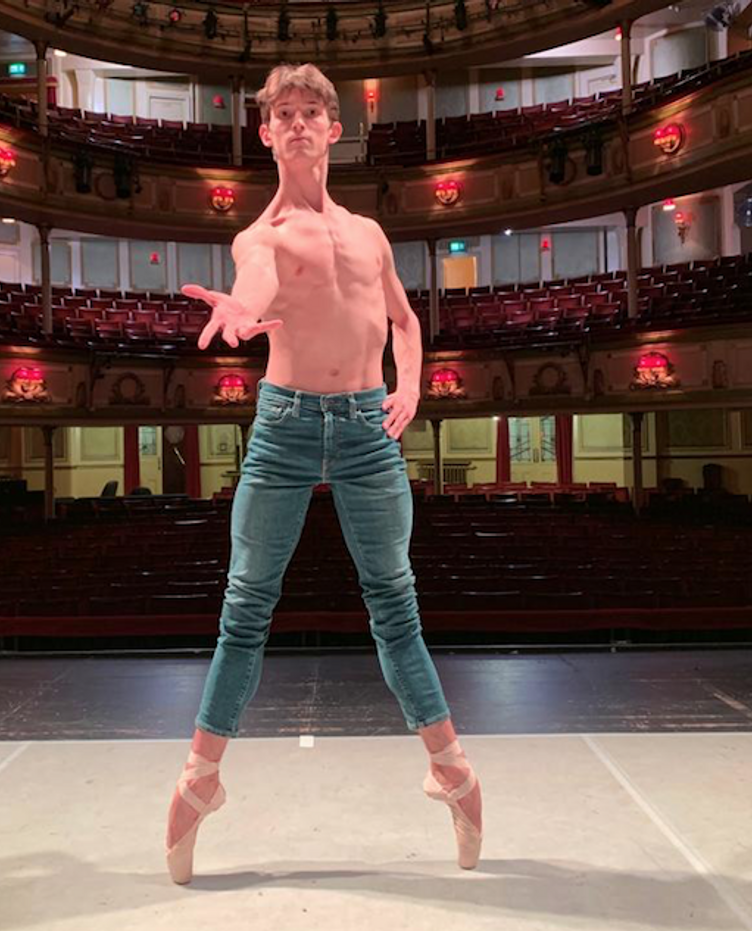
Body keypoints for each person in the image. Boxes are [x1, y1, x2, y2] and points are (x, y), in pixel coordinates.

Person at [165, 63, 483, 884]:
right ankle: (201, 781)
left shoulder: (370, 232)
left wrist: (410, 382)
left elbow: (406, 322)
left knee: (395, 603)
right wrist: (239, 308)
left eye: (312, 112)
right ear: (266, 134)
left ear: (335, 129)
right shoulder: (259, 237)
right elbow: (255, 283)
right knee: (246, 606)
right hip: (286, 427)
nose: (299, 123)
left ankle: (451, 770)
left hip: (368, 425)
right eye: (284, 114)